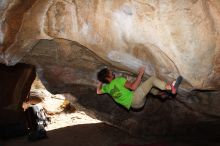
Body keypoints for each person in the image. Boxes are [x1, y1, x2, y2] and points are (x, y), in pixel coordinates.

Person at [96, 67, 182, 110]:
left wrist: (100, 81)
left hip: (134, 106)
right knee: (151, 80)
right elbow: (133, 87)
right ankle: (170, 87)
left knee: (143, 85)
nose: (111, 72)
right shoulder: (118, 80)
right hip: (135, 99)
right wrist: (140, 74)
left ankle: (159, 94)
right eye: (109, 72)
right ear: (107, 77)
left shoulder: (106, 88)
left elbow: (98, 91)